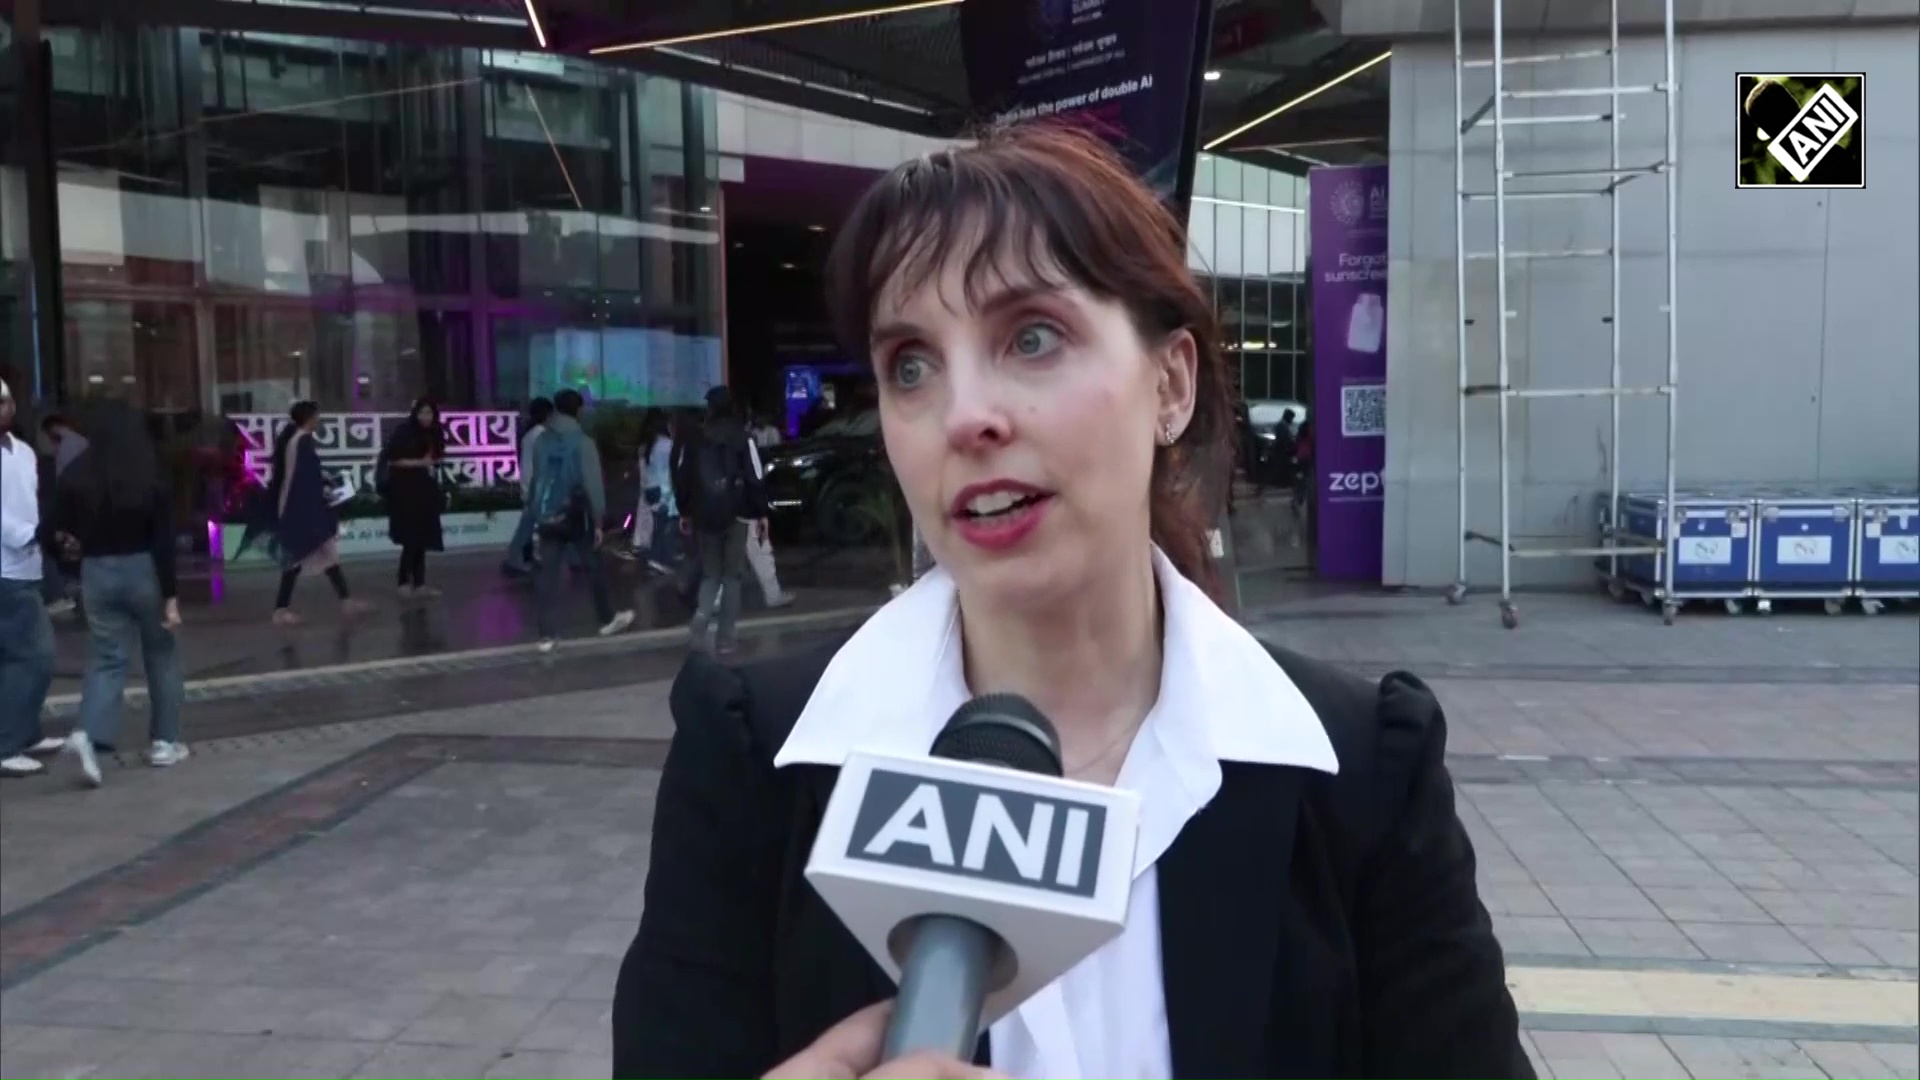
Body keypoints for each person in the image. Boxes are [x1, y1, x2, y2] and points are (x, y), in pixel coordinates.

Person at [611, 123, 1530, 1080]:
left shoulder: (1359, 772)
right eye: (910, 365)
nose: (966, 415)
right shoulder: (757, 761)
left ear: (1170, 384)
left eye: (1033, 337)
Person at [52, 399, 189, 786]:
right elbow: (163, 540)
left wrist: (69, 565)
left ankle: (89, 734)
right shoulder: (149, 470)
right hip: (143, 567)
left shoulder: (78, 471)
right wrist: (171, 594)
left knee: (107, 657)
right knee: (161, 655)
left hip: (96, 570)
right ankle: (164, 742)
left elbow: (52, 528)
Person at [525, 388, 634, 651]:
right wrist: (598, 520)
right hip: (577, 515)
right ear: (579, 410)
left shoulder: (541, 441)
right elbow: (593, 484)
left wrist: (536, 514)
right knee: (593, 566)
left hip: (548, 515)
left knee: (548, 575)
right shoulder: (582, 441)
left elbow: (537, 480)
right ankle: (607, 618)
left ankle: (547, 635)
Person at [674, 385, 770, 655]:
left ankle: (701, 617)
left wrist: (685, 511)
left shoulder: (696, 439)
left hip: (705, 515)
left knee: (710, 573)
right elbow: (755, 476)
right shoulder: (744, 438)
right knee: (732, 577)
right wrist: (761, 512)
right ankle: (726, 639)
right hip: (737, 514)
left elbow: (684, 477)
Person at [0, 376, 63, 777]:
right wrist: (27, 536)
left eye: (6, 400)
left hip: (28, 565)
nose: (4, 407)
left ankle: (25, 733)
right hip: (7, 570)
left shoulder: (22, 451)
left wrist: (46, 536)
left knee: (14, 658)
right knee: (37, 657)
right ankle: (7, 744)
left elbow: (32, 503)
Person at [261, 402, 370, 626]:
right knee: (297, 557)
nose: (319, 420)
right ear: (309, 418)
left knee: (326, 552)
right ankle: (280, 611)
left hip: (302, 507)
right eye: (317, 416)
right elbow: (303, 481)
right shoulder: (301, 441)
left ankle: (346, 600)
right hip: (299, 508)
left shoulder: (297, 440)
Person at [382, 397, 446, 599]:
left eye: (429, 413)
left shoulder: (434, 432)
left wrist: (432, 460)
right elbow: (393, 460)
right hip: (405, 491)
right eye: (423, 413)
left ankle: (420, 583)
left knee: (423, 537)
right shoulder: (404, 432)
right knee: (410, 537)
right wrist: (420, 462)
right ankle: (403, 582)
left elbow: (436, 457)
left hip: (425, 490)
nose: (426, 417)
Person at [503, 397, 554, 576]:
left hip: (530, 485)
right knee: (528, 527)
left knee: (528, 525)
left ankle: (521, 557)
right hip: (537, 487)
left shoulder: (529, 434)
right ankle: (513, 559)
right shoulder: (541, 434)